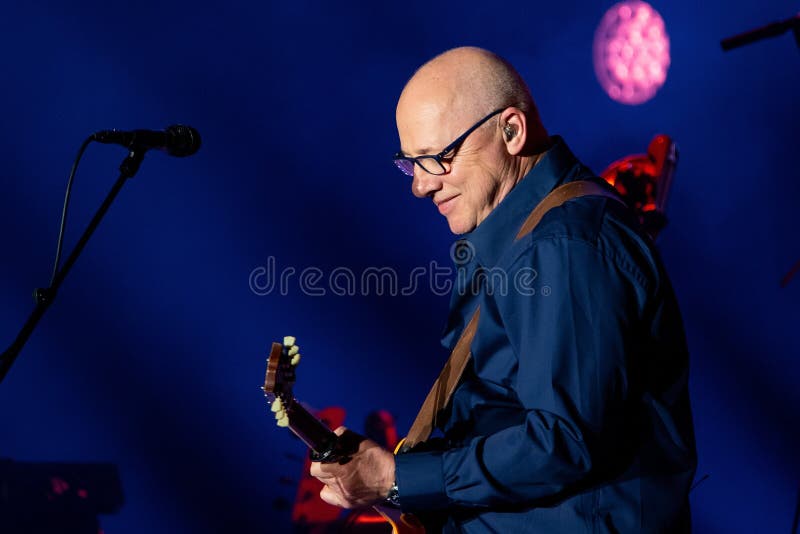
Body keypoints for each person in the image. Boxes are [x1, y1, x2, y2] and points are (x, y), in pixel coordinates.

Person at [310, 46, 697, 533]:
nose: (420, 187)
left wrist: (396, 477)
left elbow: (564, 442)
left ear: (510, 130)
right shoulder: (524, 241)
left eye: (437, 158)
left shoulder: (564, 244)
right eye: (411, 165)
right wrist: (396, 474)